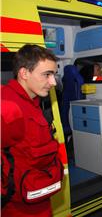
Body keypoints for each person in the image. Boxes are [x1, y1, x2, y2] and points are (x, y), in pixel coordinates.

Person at [1, 44, 63, 217]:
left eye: (54, 75)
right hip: (18, 209)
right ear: (24, 73)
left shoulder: (31, 102)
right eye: (46, 75)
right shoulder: (8, 107)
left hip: (37, 200)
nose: (53, 82)